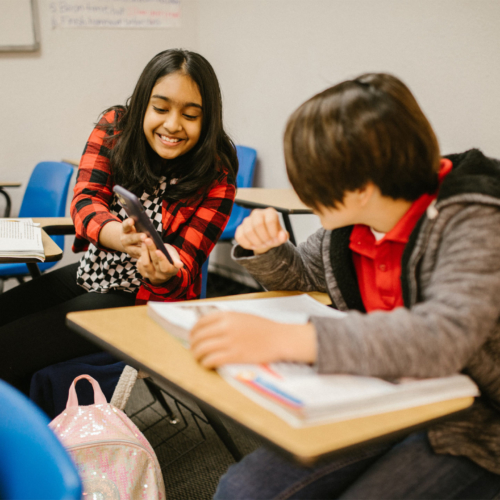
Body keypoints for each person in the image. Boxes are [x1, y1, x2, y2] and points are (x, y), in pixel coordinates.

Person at [190, 73, 500, 499]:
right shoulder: (354, 224)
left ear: (360, 189)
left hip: (477, 420)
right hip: (384, 394)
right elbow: (302, 275)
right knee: (243, 490)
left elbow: (443, 336)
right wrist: (267, 251)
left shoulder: (474, 218)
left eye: (310, 180)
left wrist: (287, 339)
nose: (301, 191)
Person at [0, 48, 237, 396]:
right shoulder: (115, 127)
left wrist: (166, 270)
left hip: (144, 301)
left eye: (190, 115)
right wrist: (118, 237)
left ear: (208, 119)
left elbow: (188, 260)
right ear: (143, 103)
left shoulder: (218, 173)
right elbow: (85, 200)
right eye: (160, 108)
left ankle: (24, 440)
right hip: (93, 272)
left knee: (9, 348)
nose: (172, 125)